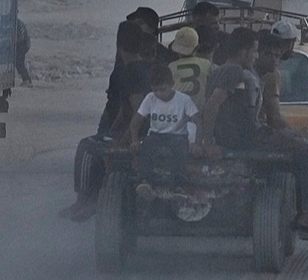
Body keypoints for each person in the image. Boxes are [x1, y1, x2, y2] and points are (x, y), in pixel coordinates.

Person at [198, 27, 308, 237]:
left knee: (306, 148)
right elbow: (212, 105)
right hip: (248, 138)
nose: (256, 56)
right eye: (255, 52)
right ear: (243, 52)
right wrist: (208, 142)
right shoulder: (234, 71)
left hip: (249, 135)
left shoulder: (220, 70)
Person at [62, 23, 154, 222]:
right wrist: (110, 131)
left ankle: (87, 200)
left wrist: (122, 140)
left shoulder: (128, 72)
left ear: (119, 47)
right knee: (100, 140)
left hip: (139, 134)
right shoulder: (151, 67)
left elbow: (139, 111)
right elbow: (126, 110)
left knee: (87, 147)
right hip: (152, 131)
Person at [129, 65, 198, 196]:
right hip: (156, 135)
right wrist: (135, 140)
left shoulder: (183, 100)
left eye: (162, 89)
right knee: (148, 145)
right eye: (155, 90)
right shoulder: (150, 98)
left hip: (177, 136)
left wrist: (197, 142)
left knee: (181, 149)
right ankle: (145, 180)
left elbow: (198, 121)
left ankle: (179, 184)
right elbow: (135, 122)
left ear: (171, 84)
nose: (159, 94)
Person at [168, 26, 214, 116]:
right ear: (197, 47)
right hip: (199, 112)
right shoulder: (206, 64)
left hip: (178, 113)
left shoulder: (171, 66)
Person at [15, 17, 32, 86]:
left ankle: (26, 80)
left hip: (23, 44)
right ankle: (27, 80)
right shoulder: (17, 22)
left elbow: (21, 36)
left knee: (19, 62)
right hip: (22, 44)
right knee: (19, 62)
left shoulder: (17, 23)